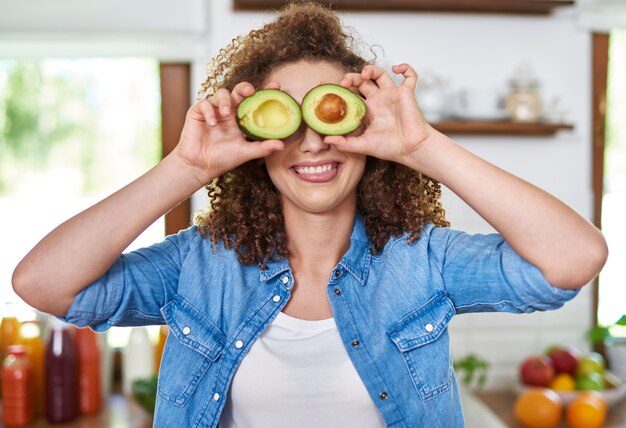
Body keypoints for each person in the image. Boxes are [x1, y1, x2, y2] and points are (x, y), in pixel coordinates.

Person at [12, 3, 607, 427]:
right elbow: (42, 283)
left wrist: (425, 147)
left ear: (365, 131)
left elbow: (573, 260)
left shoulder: (424, 260)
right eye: (285, 121)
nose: (312, 142)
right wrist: (186, 168)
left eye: (329, 116)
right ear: (255, 144)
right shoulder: (197, 265)